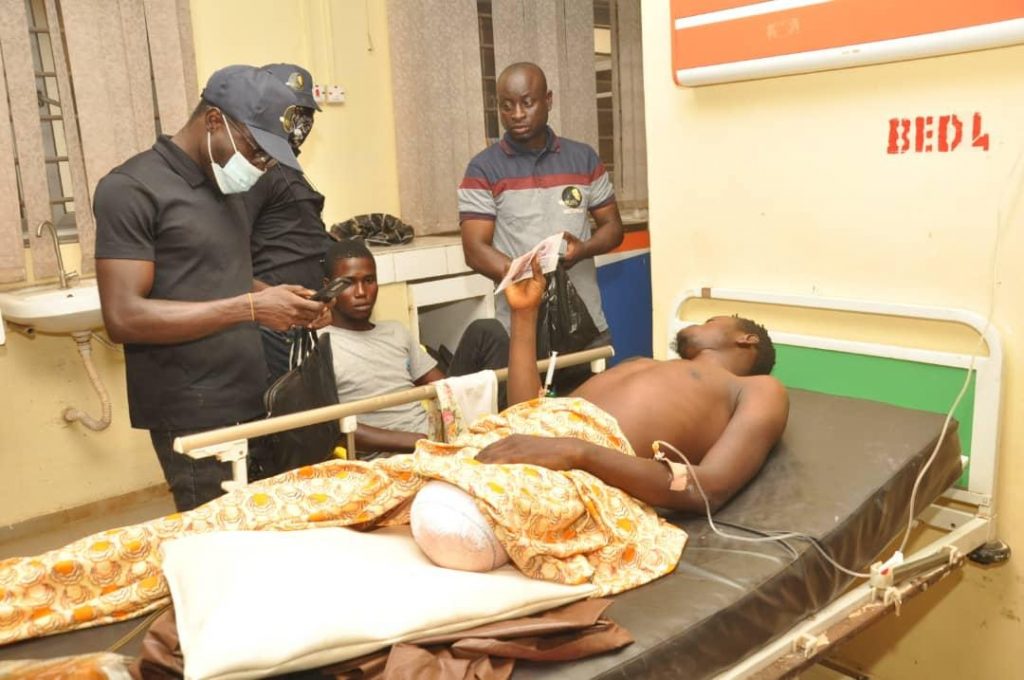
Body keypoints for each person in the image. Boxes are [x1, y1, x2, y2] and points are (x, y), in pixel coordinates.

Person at [94, 65, 327, 512]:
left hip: (252, 390)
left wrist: (288, 303)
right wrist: (251, 308)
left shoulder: (227, 185)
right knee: (217, 536)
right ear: (214, 121)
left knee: (266, 525)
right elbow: (123, 316)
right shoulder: (131, 189)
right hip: (192, 407)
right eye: (256, 151)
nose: (261, 166)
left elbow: (219, 274)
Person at [476, 256, 789, 513]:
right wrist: (524, 314)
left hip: (566, 478)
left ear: (747, 339)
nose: (696, 324)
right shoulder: (641, 363)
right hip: (515, 448)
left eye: (710, 322)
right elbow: (526, 415)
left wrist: (578, 453)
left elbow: (709, 487)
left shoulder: (757, 388)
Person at [458, 61, 625, 390]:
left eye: (527, 102)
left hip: (585, 326)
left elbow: (613, 228)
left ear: (548, 100)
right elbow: (474, 250)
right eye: (507, 106)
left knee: (589, 413)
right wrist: (525, 278)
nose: (517, 114)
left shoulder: (583, 158)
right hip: (520, 329)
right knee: (528, 415)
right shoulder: (483, 169)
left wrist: (583, 249)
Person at [319, 239, 510, 457]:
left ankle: (506, 430)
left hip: (437, 434)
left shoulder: (396, 332)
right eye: (348, 283)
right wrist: (420, 441)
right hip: (394, 453)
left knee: (487, 331)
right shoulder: (319, 346)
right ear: (328, 287)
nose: (361, 292)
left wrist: (453, 427)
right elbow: (329, 428)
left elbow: (444, 389)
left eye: (369, 280)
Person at [242, 63, 334, 383]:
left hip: (301, 325)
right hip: (274, 327)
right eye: (293, 111)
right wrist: (275, 301)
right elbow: (228, 256)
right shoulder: (255, 169)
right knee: (284, 409)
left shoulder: (286, 165)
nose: (301, 122)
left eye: (307, 113)